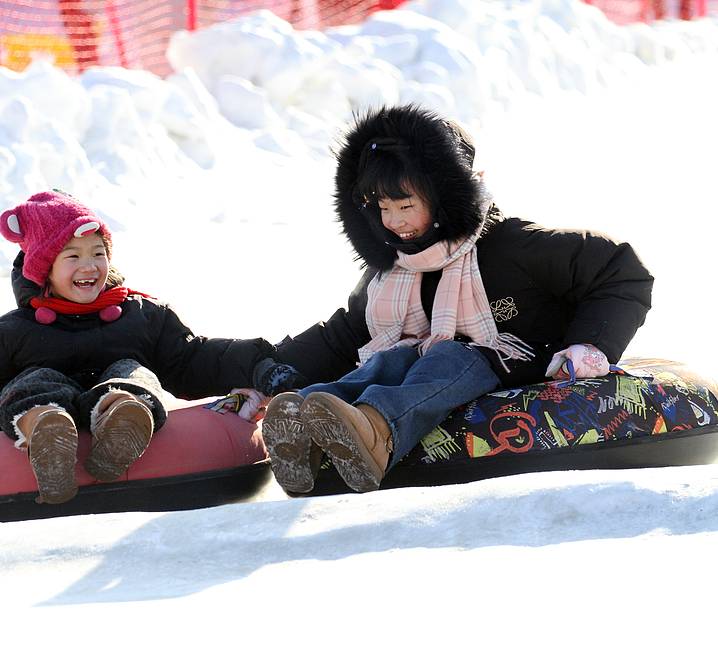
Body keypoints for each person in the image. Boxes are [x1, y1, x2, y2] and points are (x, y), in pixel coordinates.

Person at [261, 104, 653, 495]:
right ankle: (306, 420)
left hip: (521, 358)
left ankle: (377, 431)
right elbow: (342, 337)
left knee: (449, 356)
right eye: (383, 208)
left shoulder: (513, 247)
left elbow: (619, 268)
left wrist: (591, 344)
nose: (393, 222)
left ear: (446, 199)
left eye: (406, 206)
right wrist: (263, 372)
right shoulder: (394, 271)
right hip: (431, 361)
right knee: (391, 358)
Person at [0, 190, 303, 504]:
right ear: (43, 268)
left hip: (118, 395)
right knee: (34, 381)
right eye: (73, 256)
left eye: (98, 253)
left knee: (130, 372)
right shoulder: (10, 332)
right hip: (44, 402)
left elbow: (192, 358)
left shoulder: (142, 314)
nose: (90, 266)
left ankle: (122, 422)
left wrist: (258, 364)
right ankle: (48, 436)